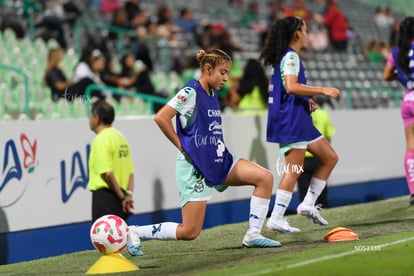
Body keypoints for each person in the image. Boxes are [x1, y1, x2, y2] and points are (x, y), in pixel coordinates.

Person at [127, 49, 281, 257]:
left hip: (219, 160)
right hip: (195, 166)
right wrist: (181, 145)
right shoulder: (190, 91)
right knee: (190, 231)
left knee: (265, 178)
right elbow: (161, 117)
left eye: (227, 73)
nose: (226, 78)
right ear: (208, 69)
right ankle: (134, 232)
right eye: (223, 72)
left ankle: (253, 235)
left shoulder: (213, 92)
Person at [259, 16, 340, 233]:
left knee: (330, 157)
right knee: (294, 169)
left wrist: (306, 99)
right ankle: (276, 217)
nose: (307, 34)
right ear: (297, 34)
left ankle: (307, 204)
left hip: (297, 117)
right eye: (305, 30)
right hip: (291, 120)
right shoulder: (291, 57)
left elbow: (274, 87)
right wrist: (322, 90)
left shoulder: (284, 57)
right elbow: (291, 87)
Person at [88, 99, 135, 223]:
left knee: (104, 239)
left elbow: (107, 174)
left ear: (96, 118)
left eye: (90, 116)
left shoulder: (101, 140)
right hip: (122, 196)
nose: (89, 120)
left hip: (106, 198)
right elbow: (130, 172)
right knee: (120, 238)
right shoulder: (120, 137)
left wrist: (122, 198)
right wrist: (128, 196)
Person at [383, 16, 414, 205]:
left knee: (411, 147)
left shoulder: (397, 52)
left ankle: (413, 192)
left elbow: (386, 75)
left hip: (408, 99)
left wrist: (403, 78)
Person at [297, 98, 336, 208]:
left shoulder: (297, 116)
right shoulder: (323, 114)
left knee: (303, 191)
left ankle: (306, 212)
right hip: (319, 156)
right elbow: (328, 138)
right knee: (321, 190)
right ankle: (322, 211)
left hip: (301, 157)